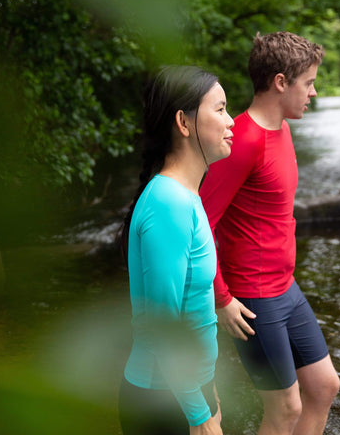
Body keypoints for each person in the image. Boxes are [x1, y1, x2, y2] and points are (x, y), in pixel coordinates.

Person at [199, 32, 340, 435]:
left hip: (285, 287)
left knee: (325, 387)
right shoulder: (241, 140)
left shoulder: (282, 129)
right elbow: (201, 222)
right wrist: (221, 298)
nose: (313, 91)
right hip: (252, 295)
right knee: (284, 409)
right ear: (281, 82)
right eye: (308, 82)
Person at [118, 65, 235, 435]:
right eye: (219, 109)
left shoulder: (186, 195)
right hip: (162, 401)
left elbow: (194, 313)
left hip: (183, 390)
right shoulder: (168, 203)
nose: (231, 121)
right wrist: (198, 416)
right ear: (183, 123)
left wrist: (208, 389)